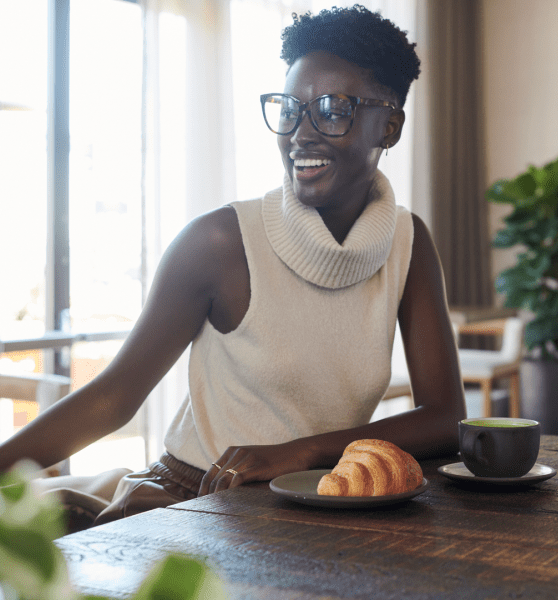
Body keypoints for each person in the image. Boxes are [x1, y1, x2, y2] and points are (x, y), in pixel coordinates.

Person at [0, 5, 465, 530]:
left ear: (390, 126)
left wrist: (302, 452)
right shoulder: (220, 241)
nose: (300, 134)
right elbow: (113, 399)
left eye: (333, 109)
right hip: (193, 499)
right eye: (290, 108)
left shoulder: (408, 242)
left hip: (321, 507)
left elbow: (447, 418)